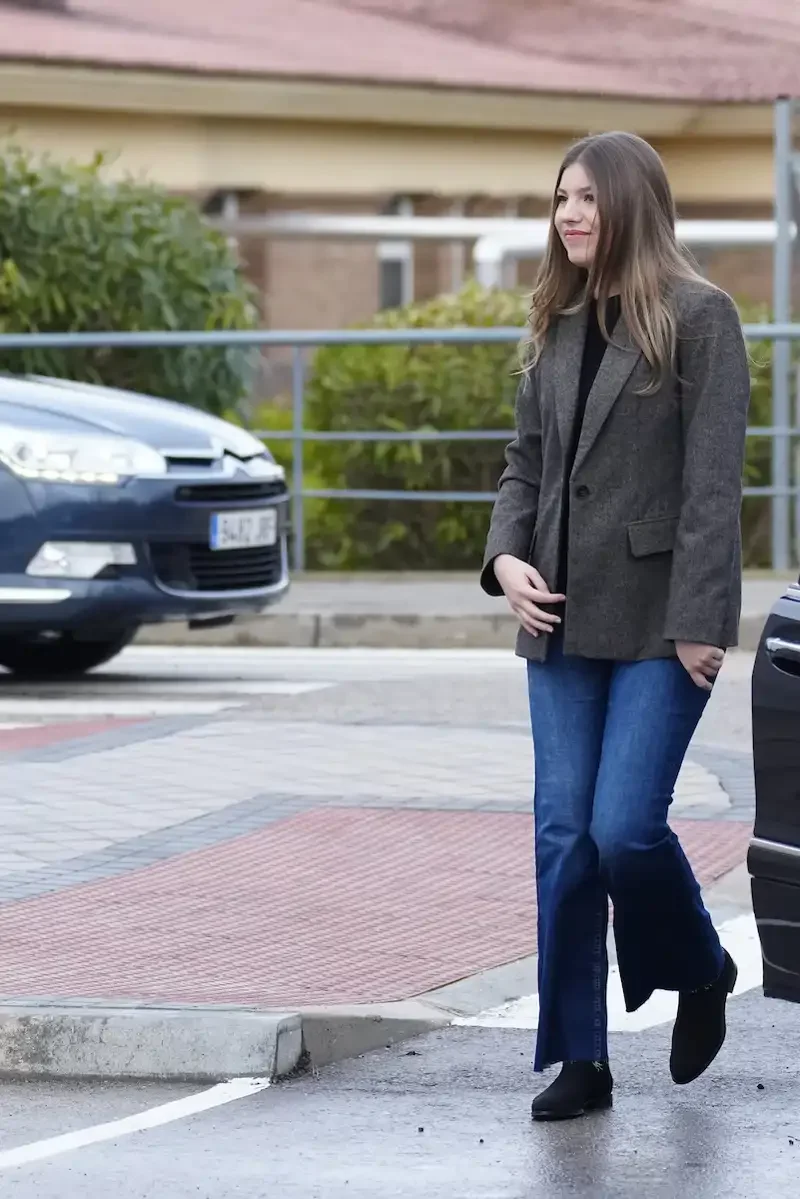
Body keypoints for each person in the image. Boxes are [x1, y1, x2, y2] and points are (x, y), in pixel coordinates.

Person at [480, 131, 750, 1122]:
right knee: (563, 836)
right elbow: (524, 462)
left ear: (631, 203)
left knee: (624, 829)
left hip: (658, 621)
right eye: (561, 198)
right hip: (555, 615)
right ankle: (579, 1057)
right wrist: (504, 559)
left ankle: (701, 965)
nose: (568, 215)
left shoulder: (700, 316)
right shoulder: (555, 317)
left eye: (587, 197)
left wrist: (698, 621)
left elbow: (713, 487)